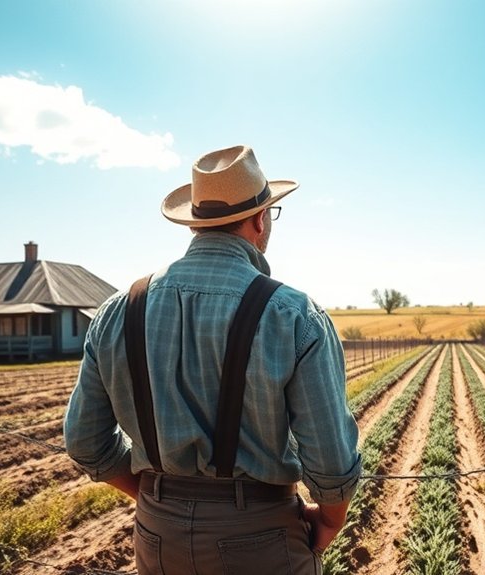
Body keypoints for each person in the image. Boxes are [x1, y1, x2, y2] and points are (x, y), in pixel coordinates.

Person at [63, 144, 361, 574]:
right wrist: (331, 519)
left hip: (156, 534)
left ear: (194, 224)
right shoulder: (293, 314)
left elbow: (84, 442)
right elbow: (331, 460)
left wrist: (156, 496)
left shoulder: (117, 310)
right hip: (259, 534)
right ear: (260, 219)